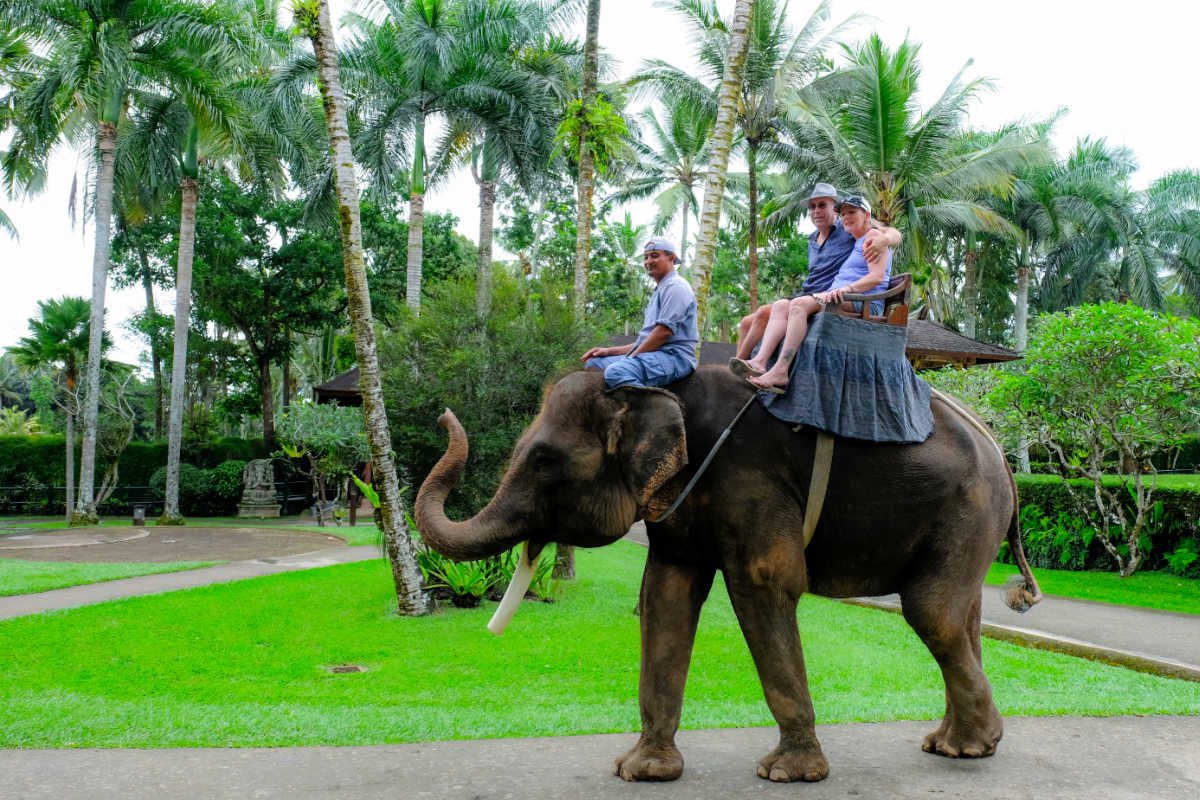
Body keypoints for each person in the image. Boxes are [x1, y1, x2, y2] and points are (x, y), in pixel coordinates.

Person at [730, 183, 900, 375]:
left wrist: (884, 240)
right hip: (809, 292)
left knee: (763, 313)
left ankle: (745, 371)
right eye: (812, 207)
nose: (816, 211)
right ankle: (740, 368)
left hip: (829, 294)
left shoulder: (848, 230)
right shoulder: (812, 239)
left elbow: (891, 232)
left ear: (833, 209)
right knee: (746, 322)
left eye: (822, 205)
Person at [581, 236, 698, 388]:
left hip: (674, 357)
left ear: (671, 258)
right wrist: (608, 351)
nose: (648, 261)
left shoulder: (676, 287)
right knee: (594, 363)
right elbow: (644, 342)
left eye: (655, 255)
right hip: (654, 354)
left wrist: (629, 358)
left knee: (617, 372)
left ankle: (653, 410)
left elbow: (663, 333)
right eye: (646, 257)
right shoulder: (661, 289)